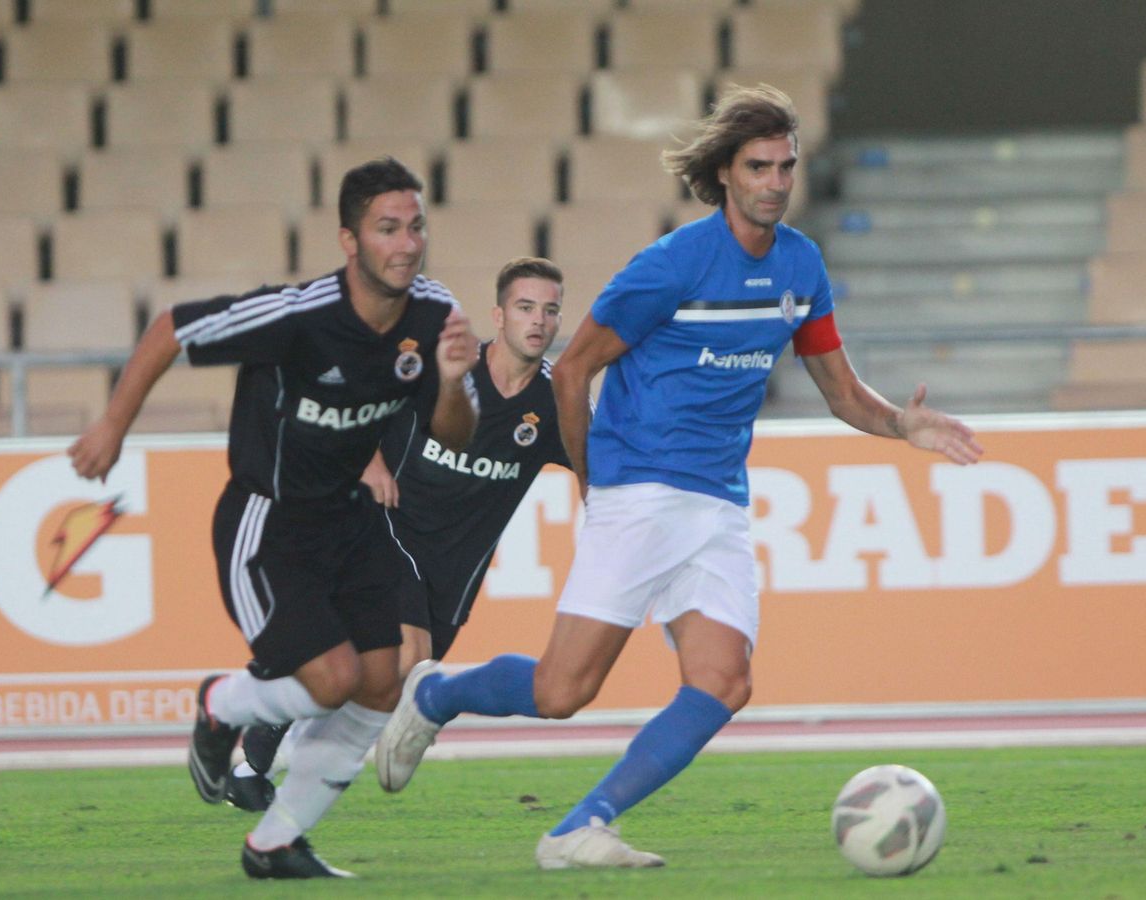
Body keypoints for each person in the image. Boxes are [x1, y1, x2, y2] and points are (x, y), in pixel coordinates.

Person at [376, 84, 985, 870]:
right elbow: (575, 371)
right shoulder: (671, 265)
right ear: (725, 173)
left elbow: (839, 390)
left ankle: (578, 828)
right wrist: (594, 483)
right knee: (563, 693)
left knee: (724, 682)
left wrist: (902, 423)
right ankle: (435, 695)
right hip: (641, 490)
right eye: (758, 167)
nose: (775, 182)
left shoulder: (801, 265)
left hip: (718, 502)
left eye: (786, 167)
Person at [67, 157, 479, 880]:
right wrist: (112, 426)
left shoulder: (433, 316)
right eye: (388, 229)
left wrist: (451, 382)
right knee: (331, 679)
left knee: (383, 681)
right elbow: (172, 329)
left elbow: (455, 433)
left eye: (416, 226)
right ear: (349, 241)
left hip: (349, 520)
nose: (408, 244)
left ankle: (275, 843)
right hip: (270, 522)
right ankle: (221, 706)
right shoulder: (297, 317)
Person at [222, 256, 574, 810]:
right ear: (499, 315)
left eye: (550, 310)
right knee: (408, 658)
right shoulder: (446, 369)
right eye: (525, 307)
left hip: (450, 574)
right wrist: (368, 462)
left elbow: (608, 466)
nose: (538, 320)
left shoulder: (557, 403)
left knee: (377, 683)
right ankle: (262, 745)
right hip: (384, 529)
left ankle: (253, 755)